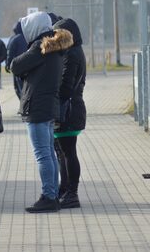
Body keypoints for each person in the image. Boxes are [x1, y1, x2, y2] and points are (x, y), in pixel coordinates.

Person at [11, 12, 73, 213]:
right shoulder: (54, 48)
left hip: (37, 107)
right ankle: (52, 195)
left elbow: (15, 65)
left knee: (43, 155)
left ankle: (48, 196)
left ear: (34, 29)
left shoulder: (40, 48)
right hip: (47, 107)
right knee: (49, 154)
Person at [52, 18, 87, 209]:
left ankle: (72, 192)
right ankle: (65, 189)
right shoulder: (72, 52)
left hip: (69, 110)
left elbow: (66, 86)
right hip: (69, 108)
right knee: (63, 153)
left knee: (68, 152)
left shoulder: (71, 55)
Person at [6, 20, 27, 101]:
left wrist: (8, 65)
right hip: (29, 65)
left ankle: (23, 105)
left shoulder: (14, 39)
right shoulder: (29, 37)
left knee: (18, 87)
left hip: (17, 66)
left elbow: (10, 53)